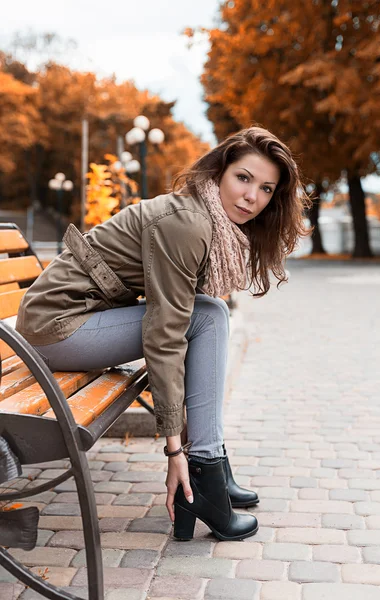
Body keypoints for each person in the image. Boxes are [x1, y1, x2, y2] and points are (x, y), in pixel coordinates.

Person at [16, 126, 310, 541]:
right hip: (57, 329)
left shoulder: (205, 217)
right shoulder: (187, 223)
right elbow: (165, 334)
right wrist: (175, 450)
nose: (251, 197)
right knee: (207, 316)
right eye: (243, 178)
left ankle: (213, 471)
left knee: (209, 312)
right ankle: (206, 475)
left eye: (265, 188)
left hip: (78, 318)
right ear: (220, 173)